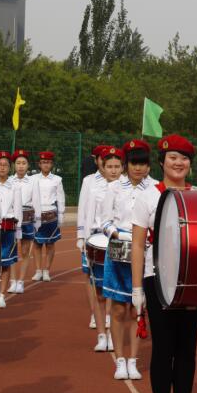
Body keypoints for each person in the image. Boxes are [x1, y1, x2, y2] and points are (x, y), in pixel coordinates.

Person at [130, 134, 197, 393]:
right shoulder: (147, 197)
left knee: (187, 349)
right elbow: (137, 244)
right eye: (173, 157)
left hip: (190, 281)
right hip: (156, 278)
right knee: (163, 348)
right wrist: (137, 288)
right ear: (162, 162)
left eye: (184, 158)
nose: (179, 163)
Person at [99, 140, 151, 380]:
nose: (138, 168)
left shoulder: (155, 189)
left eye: (143, 163)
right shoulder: (114, 188)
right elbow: (104, 221)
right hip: (119, 250)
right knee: (119, 309)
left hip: (145, 252)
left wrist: (146, 238)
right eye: (133, 163)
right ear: (126, 164)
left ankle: (133, 360)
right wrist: (117, 234)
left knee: (138, 309)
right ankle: (120, 360)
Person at [80, 147, 123, 352]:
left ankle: (113, 333)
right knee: (98, 290)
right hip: (96, 239)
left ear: (122, 168)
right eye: (109, 166)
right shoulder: (92, 186)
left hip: (117, 241)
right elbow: (84, 211)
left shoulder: (126, 189)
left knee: (114, 290)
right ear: (102, 167)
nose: (113, 170)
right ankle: (101, 335)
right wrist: (82, 237)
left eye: (117, 166)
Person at [75, 146, 111, 325]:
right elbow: (82, 208)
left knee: (111, 276)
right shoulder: (88, 181)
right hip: (92, 236)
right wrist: (80, 236)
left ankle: (109, 315)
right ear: (97, 161)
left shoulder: (120, 181)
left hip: (112, 238)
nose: (105, 164)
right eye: (102, 159)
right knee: (90, 276)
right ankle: (95, 314)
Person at [0, 151, 23, 304]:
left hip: (9, 227)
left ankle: (3, 295)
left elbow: (17, 209)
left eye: (5, 165)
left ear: (9, 168)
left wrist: (19, 231)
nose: (3, 168)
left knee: (6, 262)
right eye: (0, 165)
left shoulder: (15, 186)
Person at [31, 151, 65, 281]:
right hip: (37, 214)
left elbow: (60, 198)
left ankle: (46, 270)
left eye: (49, 162)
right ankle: (38, 270)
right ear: (39, 164)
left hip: (51, 214)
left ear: (52, 164)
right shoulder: (33, 179)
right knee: (37, 243)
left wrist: (61, 214)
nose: (46, 165)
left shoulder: (57, 179)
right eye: (43, 162)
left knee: (50, 244)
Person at [11, 149, 37, 295]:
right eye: (18, 163)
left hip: (27, 218)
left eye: (24, 163)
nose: (21, 166)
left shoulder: (33, 181)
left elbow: (36, 201)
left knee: (25, 251)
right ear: (14, 165)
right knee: (12, 249)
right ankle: (12, 280)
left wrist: (38, 221)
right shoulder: (10, 181)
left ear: (28, 165)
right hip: (13, 218)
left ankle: (21, 281)